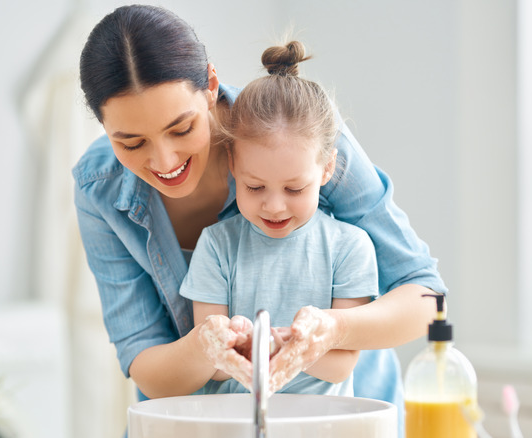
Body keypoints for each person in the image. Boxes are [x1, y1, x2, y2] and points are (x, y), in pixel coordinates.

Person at [73, 3, 447, 434]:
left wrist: (334, 330)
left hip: (339, 419)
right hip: (202, 423)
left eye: (181, 128)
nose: (164, 160)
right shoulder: (97, 186)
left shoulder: (300, 131)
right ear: (103, 126)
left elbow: (426, 297)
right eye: (131, 142)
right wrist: (203, 349)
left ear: (210, 85)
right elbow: (144, 362)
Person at [179, 40, 379, 398]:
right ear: (233, 164)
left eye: (294, 189)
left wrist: (276, 345)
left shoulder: (350, 247)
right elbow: (215, 361)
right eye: (255, 187)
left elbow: (340, 366)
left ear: (327, 168)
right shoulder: (217, 245)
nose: (274, 207)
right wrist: (237, 342)